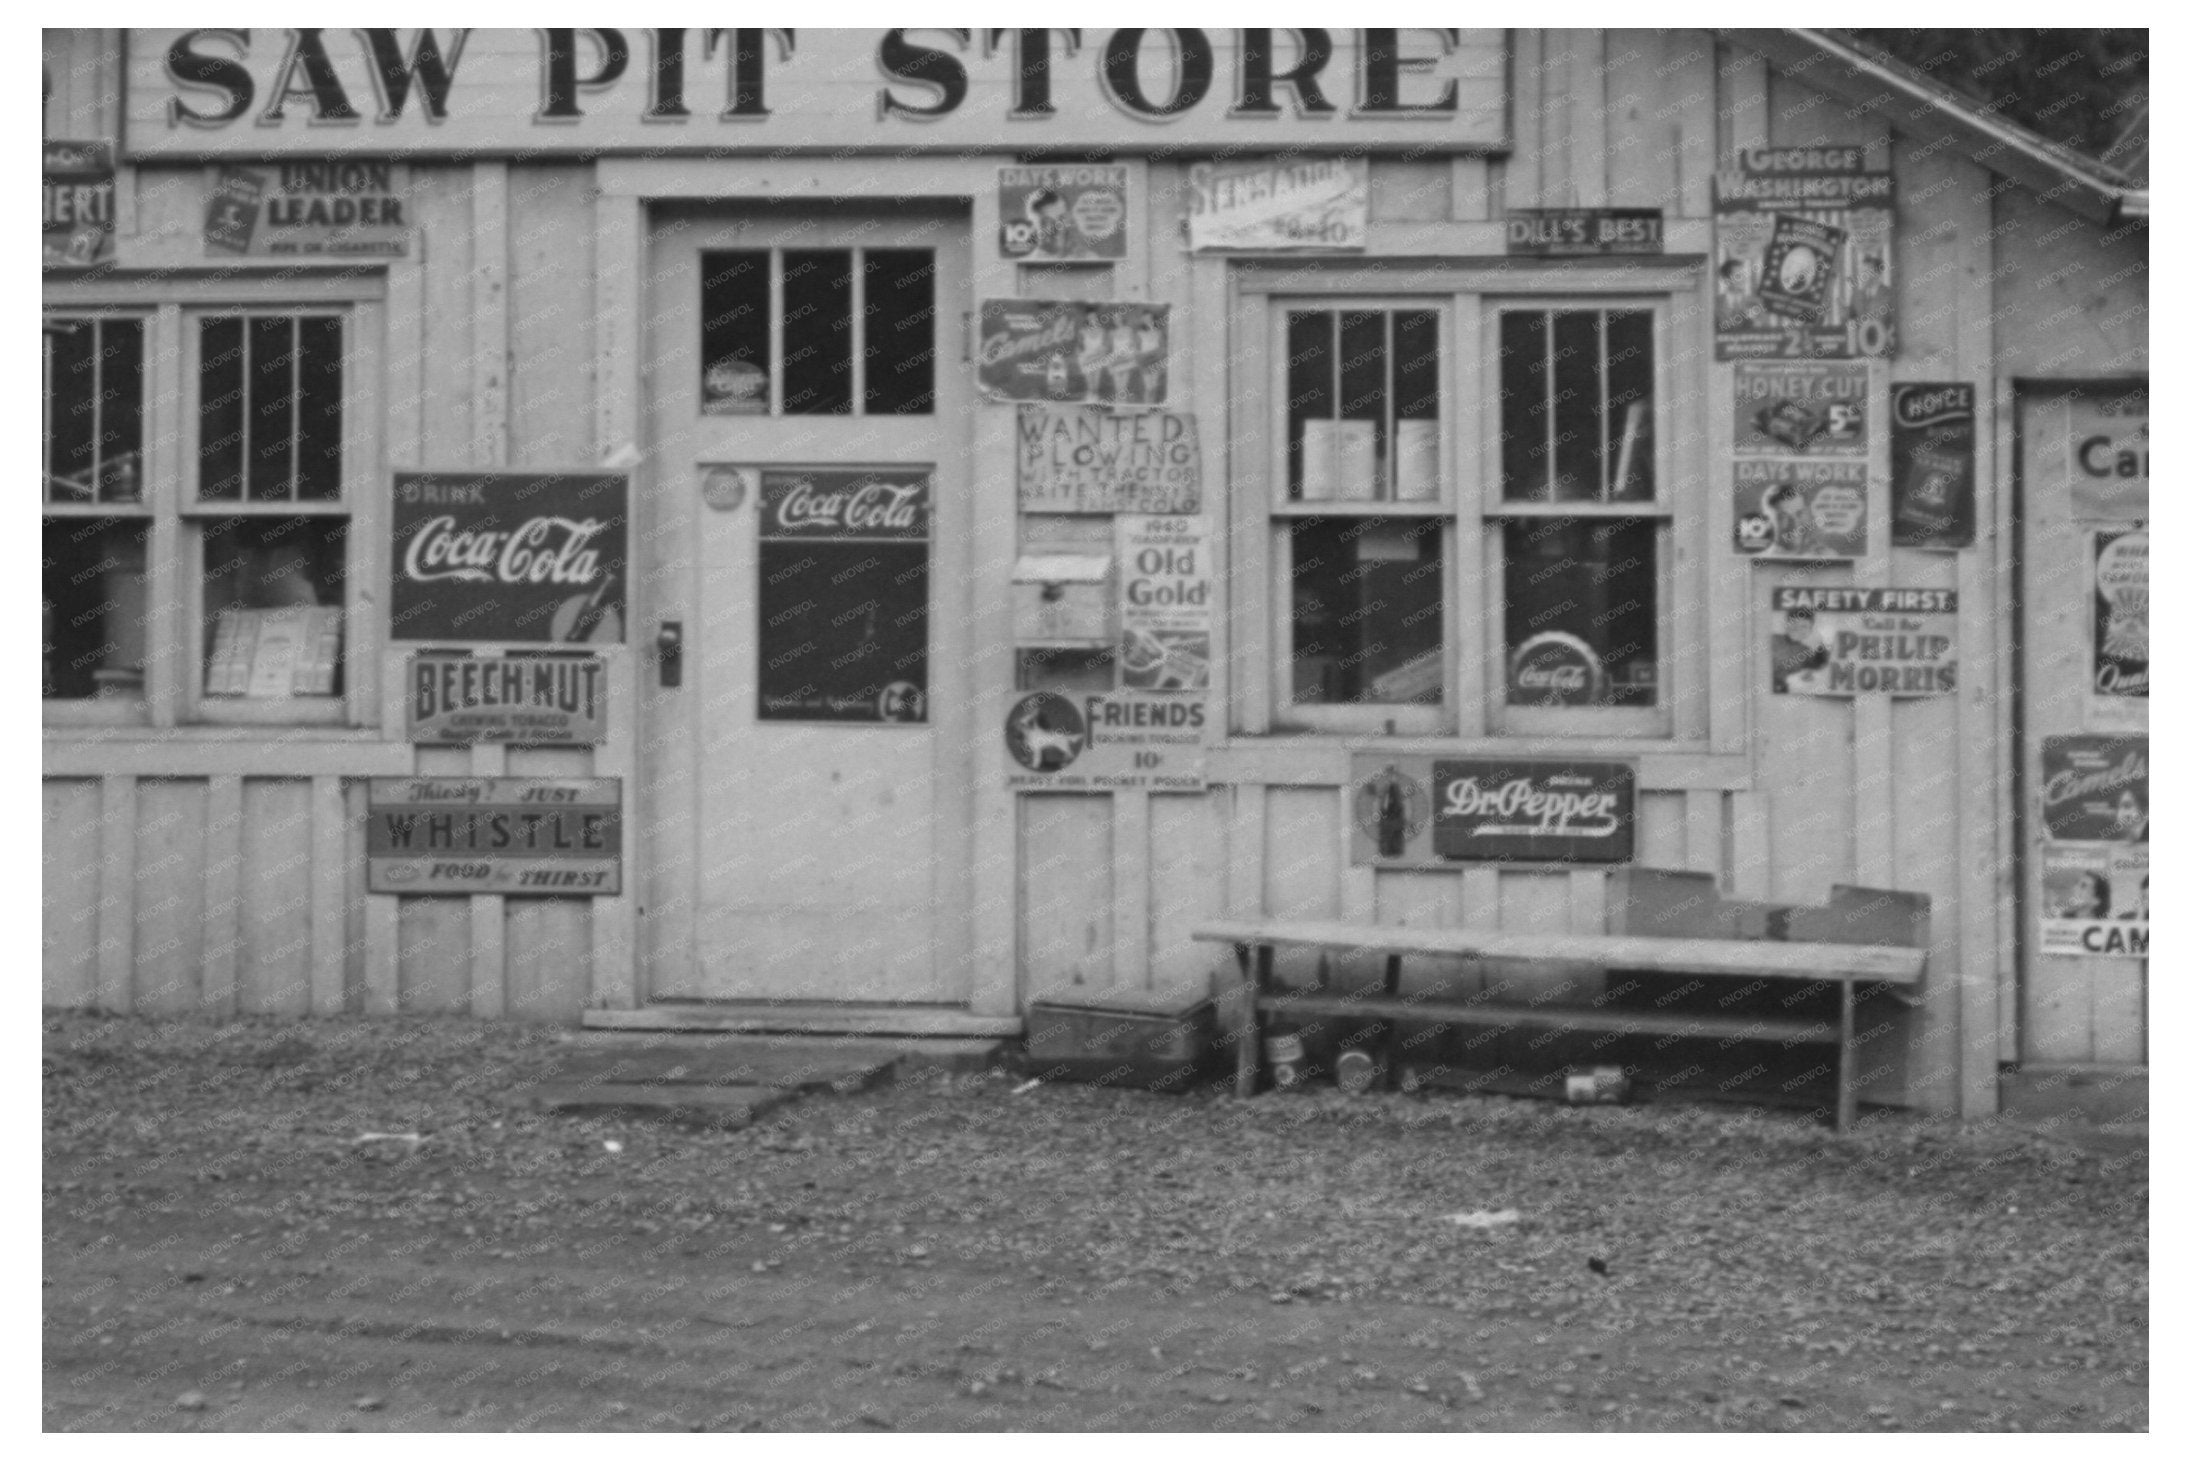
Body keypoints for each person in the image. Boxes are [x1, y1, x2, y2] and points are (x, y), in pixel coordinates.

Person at [1769, 606, 1830, 693]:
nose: (1798, 629)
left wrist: (1822, 646)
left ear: (1810, 630)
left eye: (1804, 626)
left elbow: (1817, 665)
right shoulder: (1772, 640)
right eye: (1794, 624)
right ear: (1786, 624)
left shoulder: (1806, 651)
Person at [1762, 481, 1820, 558]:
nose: (1794, 524)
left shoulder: (1826, 558)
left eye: (1800, 513)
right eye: (1783, 516)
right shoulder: (1758, 563)